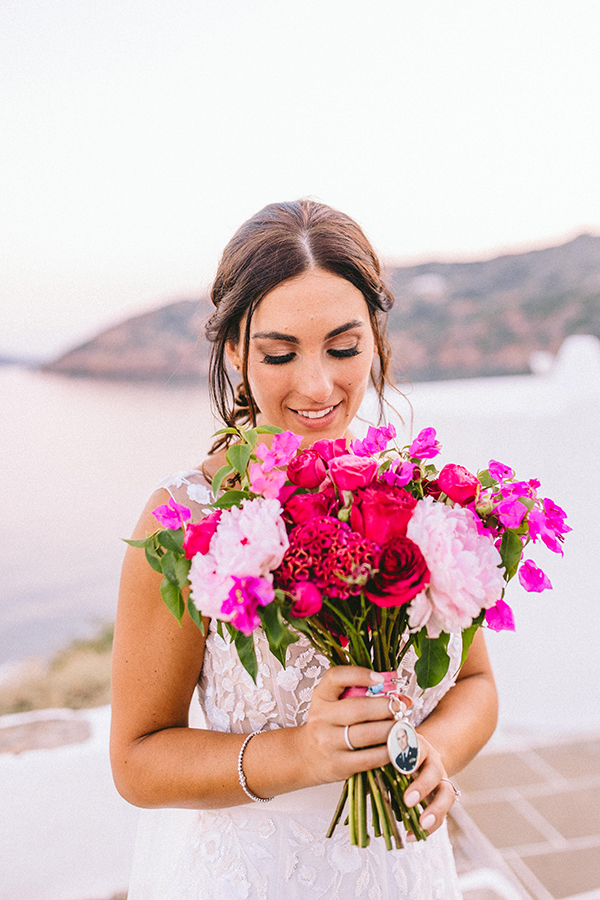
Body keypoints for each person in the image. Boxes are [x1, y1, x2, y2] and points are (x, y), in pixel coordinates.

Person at [110, 199, 498, 899]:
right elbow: (137, 761)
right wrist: (301, 754)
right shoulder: (183, 521)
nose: (317, 386)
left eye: (344, 349)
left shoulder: (416, 500)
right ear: (234, 350)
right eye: (280, 353)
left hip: (407, 873)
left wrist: (435, 750)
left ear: (375, 340)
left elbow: (475, 686)